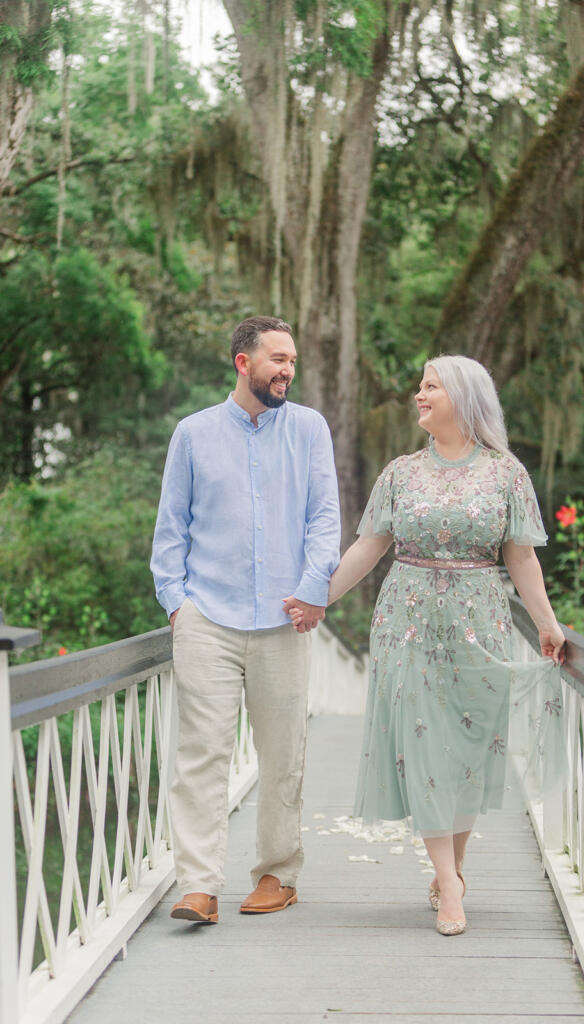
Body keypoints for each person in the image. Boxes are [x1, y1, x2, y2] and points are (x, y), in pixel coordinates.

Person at [287, 355, 566, 936]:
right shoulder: (399, 473)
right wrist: (319, 599)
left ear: (463, 398)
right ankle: (450, 888)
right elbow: (367, 548)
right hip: (407, 623)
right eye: (420, 387)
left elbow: (520, 556)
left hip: (481, 622)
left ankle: (452, 870)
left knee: (464, 751)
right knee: (424, 748)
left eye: (430, 387)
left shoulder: (506, 473)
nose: (419, 396)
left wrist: (546, 622)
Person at [151, 315, 340, 924]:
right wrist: (177, 601)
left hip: (285, 620)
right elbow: (170, 528)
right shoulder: (193, 433)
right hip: (207, 616)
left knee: (283, 754)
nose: (287, 370)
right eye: (277, 359)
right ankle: (199, 885)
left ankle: (277, 874)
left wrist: (314, 590)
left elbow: (324, 519)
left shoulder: (309, 429)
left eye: (292, 361)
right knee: (201, 754)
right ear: (243, 361)